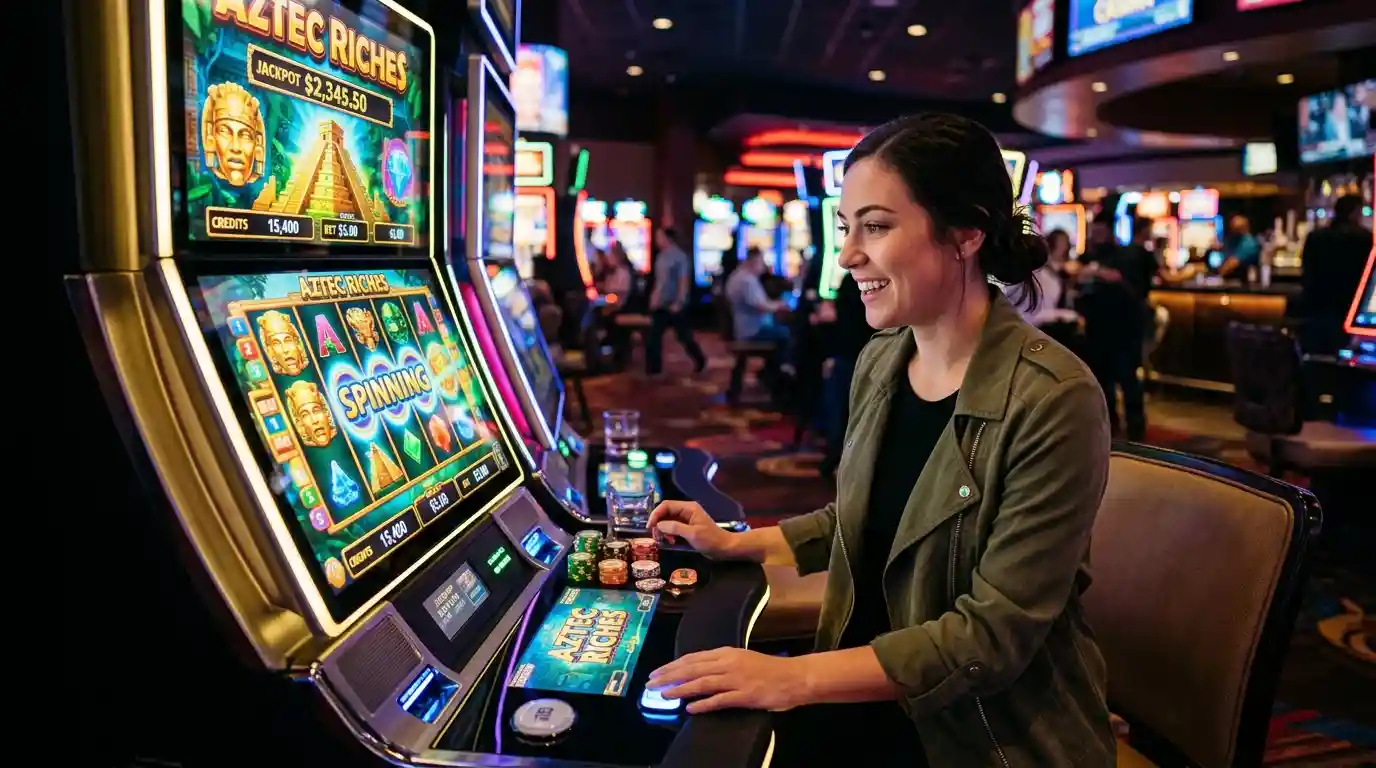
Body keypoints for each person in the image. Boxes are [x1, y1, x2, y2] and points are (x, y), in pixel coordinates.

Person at [645, 113, 1115, 767]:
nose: (846, 255)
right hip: (861, 685)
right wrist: (736, 542)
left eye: (876, 226)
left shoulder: (1054, 399)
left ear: (966, 233)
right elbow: (864, 516)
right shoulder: (883, 358)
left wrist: (792, 678)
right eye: (845, 228)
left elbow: (991, 637)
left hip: (978, 732)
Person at [1078, 217, 1158, 441]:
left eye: (1099, 231)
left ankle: (1133, 429)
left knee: (1126, 379)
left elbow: (1139, 289)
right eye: (1094, 231)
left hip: (1123, 327)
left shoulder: (1129, 255)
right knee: (1106, 382)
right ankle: (1113, 427)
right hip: (1101, 327)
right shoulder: (1090, 257)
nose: (1096, 236)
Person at [1297, 194, 1372, 355]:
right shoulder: (1364, 238)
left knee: (1317, 359)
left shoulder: (1315, 237)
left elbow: (1306, 271)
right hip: (1348, 309)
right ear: (1355, 212)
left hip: (1316, 309)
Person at [818, 270, 875, 477]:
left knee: (841, 408)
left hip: (853, 354)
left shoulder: (852, 280)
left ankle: (837, 457)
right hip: (870, 353)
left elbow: (839, 319)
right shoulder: (879, 280)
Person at [645, 226, 706, 376]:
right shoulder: (660, 257)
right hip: (661, 303)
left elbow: (683, 280)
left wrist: (680, 301)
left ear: (668, 238)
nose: (657, 240)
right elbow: (660, 282)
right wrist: (654, 298)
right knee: (653, 336)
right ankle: (654, 370)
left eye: (660, 237)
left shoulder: (679, 257)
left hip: (674, 303)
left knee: (683, 336)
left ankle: (700, 360)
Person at [1218, 214, 1261, 280]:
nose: (1234, 231)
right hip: (1230, 280)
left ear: (1245, 227)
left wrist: (1218, 275)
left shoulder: (1249, 243)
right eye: (1232, 228)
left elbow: (1232, 264)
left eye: (1238, 229)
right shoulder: (1233, 240)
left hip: (1245, 282)